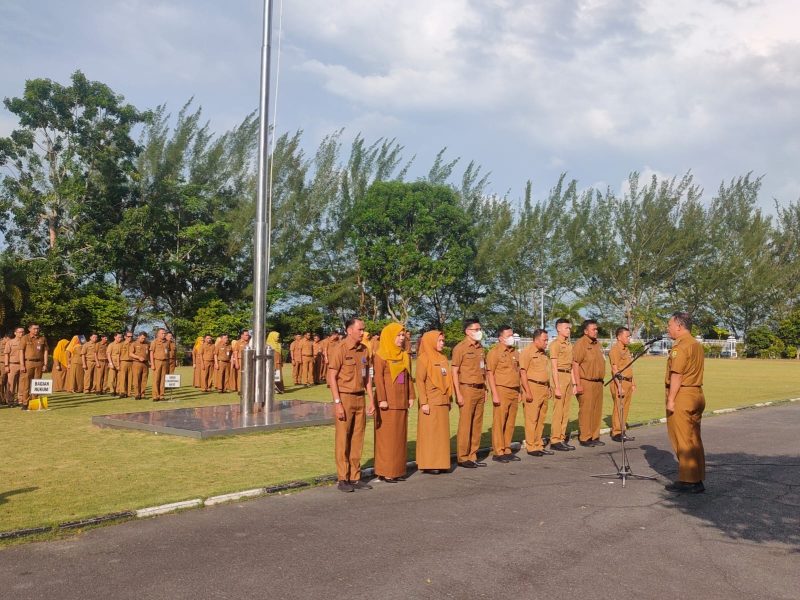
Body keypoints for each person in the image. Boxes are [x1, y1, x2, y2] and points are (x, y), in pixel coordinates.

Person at [327, 317, 375, 493]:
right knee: (342, 439)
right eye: (360, 329)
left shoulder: (364, 350)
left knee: (357, 438)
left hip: (359, 398)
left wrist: (371, 399)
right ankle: (343, 478)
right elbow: (331, 376)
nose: (363, 332)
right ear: (349, 330)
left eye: (363, 329)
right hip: (345, 397)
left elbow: (367, 377)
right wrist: (337, 403)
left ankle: (355, 476)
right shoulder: (340, 348)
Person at [664, 312, 706, 494]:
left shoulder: (680, 347)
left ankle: (688, 481)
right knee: (694, 438)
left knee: (682, 439)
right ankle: (697, 477)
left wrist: (671, 400)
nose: (668, 328)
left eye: (670, 325)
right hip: (697, 392)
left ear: (679, 326)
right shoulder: (696, 345)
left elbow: (677, 374)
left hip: (683, 394)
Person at [373, 323, 415, 482]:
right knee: (387, 438)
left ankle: (397, 470)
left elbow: (408, 377)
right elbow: (378, 379)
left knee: (399, 437)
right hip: (388, 402)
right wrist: (382, 399)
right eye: (398, 335)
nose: (401, 338)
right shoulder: (381, 355)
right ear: (389, 336)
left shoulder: (404, 355)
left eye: (403, 335)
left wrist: (411, 395)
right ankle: (385, 471)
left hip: (402, 400)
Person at [451, 318, 487, 469]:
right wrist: (458, 393)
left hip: (479, 388)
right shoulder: (460, 348)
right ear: (467, 331)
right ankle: (463, 456)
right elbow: (454, 371)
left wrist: (485, 389)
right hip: (466, 388)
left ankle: (473, 454)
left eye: (479, 329)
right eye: (475, 329)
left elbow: (483, 370)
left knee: (477, 424)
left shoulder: (480, 348)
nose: (479, 332)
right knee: (466, 424)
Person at [415, 330, 452, 474]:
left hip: (442, 400)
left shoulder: (442, 357)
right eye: (439, 340)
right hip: (431, 401)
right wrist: (424, 402)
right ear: (430, 341)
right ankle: (429, 464)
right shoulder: (424, 358)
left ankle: (441, 462)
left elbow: (446, 378)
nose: (442, 343)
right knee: (430, 434)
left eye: (443, 340)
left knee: (441, 435)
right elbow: (419, 381)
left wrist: (449, 397)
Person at [486, 325, 521, 462]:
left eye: (512, 334)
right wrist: (494, 393)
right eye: (508, 335)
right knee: (500, 421)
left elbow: (517, 372)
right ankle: (498, 451)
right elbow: (490, 373)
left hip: (513, 389)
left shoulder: (515, 352)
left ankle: (507, 448)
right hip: (501, 389)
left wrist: (519, 391)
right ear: (501, 338)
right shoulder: (494, 352)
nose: (511, 337)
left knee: (510, 422)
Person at [519, 329, 553, 456]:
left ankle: (538, 444)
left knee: (541, 418)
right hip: (532, 387)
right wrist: (527, 391)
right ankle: (531, 446)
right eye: (545, 340)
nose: (546, 343)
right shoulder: (527, 352)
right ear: (536, 339)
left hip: (543, 388)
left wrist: (548, 387)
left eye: (547, 340)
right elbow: (522, 373)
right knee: (531, 419)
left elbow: (545, 371)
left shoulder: (543, 353)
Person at [572, 319, 606, 447]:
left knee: (597, 410)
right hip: (586, 381)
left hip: (598, 382)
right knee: (586, 410)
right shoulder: (581, 344)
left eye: (596, 329)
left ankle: (594, 435)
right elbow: (575, 364)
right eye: (593, 329)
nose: (596, 331)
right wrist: (578, 384)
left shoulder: (597, 344)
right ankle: (585, 437)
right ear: (586, 331)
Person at [549, 319, 576, 451]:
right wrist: (557, 386)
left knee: (566, 411)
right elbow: (553, 367)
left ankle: (561, 437)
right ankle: (555, 439)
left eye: (569, 328)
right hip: (559, 376)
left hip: (568, 377)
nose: (568, 330)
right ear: (558, 329)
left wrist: (574, 383)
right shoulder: (555, 344)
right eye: (566, 328)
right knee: (558, 411)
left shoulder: (569, 344)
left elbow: (570, 366)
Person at [608, 327, 636, 442]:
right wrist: (619, 387)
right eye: (627, 336)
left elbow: (629, 367)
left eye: (629, 336)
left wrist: (633, 383)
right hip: (620, 382)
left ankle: (622, 430)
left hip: (628, 382)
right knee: (619, 408)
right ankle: (617, 432)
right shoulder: (615, 350)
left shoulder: (626, 349)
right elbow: (614, 370)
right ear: (619, 337)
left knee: (625, 408)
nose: (629, 338)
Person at [18, 323, 49, 408]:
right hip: (28, 363)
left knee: (37, 384)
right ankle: (25, 403)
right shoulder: (25, 338)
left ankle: (34, 403)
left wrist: (45, 364)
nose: (36, 330)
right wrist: (22, 365)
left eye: (38, 329)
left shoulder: (42, 338)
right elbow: (21, 352)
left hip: (39, 363)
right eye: (34, 329)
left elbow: (45, 352)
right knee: (26, 383)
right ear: (29, 329)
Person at [4, 327, 25, 405]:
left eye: (23, 332)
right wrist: (6, 365)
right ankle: (10, 401)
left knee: (22, 384)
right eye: (19, 332)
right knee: (11, 384)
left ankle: (20, 400)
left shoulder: (25, 342)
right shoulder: (10, 342)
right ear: (15, 333)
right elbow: (6, 354)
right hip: (13, 364)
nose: (21, 333)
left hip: (23, 365)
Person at [150, 328, 170, 401]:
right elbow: (151, 353)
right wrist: (152, 364)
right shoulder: (154, 342)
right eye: (162, 333)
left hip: (165, 362)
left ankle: (162, 395)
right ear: (158, 334)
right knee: (156, 379)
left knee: (163, 379)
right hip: (157, 361)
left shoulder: (167, 342)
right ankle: (155, 396)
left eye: (164, 333)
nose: (164, 334)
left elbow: (168, 352)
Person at [129, 332, 150, 399]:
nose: (143, 339)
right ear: (138, 337)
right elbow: (130, 354)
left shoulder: (147, 344)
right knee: (136, 379)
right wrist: (138, 357)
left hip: (145, 364)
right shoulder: (134, 344)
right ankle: (137, 394)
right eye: (142, 338)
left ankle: (142, 394)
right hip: (137, 363)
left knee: (144, 379)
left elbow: (149, 353)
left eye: (144, 338)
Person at [117, 331, 134, 397]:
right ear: (125, 337)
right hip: (123, 362)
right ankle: (122, 392)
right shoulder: (121, 344)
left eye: (131, 336)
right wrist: (118, 365)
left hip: (132, 362)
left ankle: (129, 392)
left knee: (130, 378)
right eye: (128, 336)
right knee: (122, 378)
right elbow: (118, 355)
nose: (130, 338)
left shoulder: (133, 344)